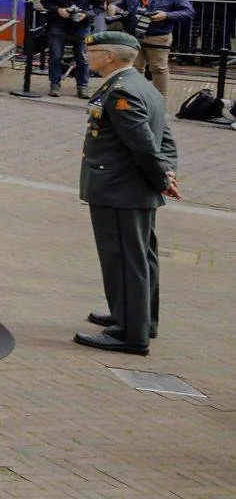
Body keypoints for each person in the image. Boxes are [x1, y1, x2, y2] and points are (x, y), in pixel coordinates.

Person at [72, 31, 180, 358]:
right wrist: (167, 173)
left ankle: (129, 333)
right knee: (142, 257)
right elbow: (165, 138)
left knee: (124, 260)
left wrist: (161, 178)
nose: (87, 57)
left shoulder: (122, 92)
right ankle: (139, 319)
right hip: (134, 188)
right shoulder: (141, 85)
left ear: (109, 57)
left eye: (93, 52)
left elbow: (144, 145)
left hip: (120, 189)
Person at [116, 0, 194, 94]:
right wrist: (114, 7)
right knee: (134, 67)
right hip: (134, 35)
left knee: (159, 68)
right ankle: (136, 95)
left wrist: (166, 15)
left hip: (158, 36)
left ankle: (160, 97)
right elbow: (122, 5)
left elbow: (189, 12)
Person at [39, 0, 106, 98]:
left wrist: (86, 14)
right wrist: (58, 10)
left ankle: (83, 87)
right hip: (58, 23)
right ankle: (55, 84)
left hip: (82, 25)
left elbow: (99, 7)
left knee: (82, 56)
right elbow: (45, 1)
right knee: (56, 55)